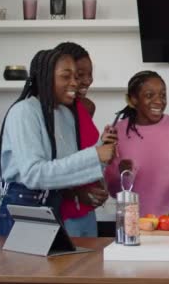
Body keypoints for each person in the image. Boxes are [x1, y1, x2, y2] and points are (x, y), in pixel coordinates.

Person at [0, 48, 116, 236]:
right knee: (24, 267)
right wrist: (94, 155)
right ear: (44, 77)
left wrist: (101, 149)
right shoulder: (24, 112)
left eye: (76, 77)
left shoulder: (65, 114)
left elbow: (65, 165)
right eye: (66, 76)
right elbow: (33, 174)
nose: (75, 83)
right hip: (24, 207)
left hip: (53, 207)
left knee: (55, 266)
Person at [104, 71, 169, 217]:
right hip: (136, 222)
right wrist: (122, 174)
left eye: (163, 95)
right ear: (133, 99)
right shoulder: (117, 132)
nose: (159, 101)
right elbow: (113, 190)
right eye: (150, 95)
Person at [55, 42, 108, 237]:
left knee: (90, 267)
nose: (86, 81)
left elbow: (85, 155)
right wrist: (75, 194)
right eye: (79, 75)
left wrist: (99, 188)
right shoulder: (51, 112)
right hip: (64, 212)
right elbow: (50, 168)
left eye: (89, 74)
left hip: (86, 211)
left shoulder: (85, 108)